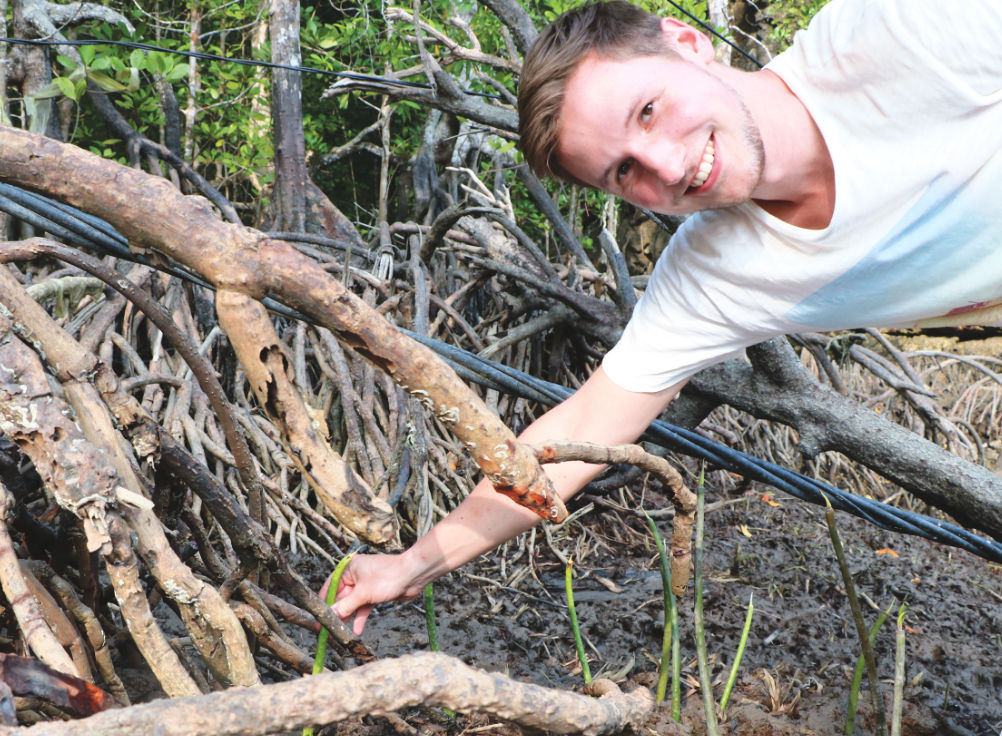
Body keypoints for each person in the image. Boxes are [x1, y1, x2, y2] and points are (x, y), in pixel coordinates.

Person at [327, 0, 1002, 634]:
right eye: (624, 172)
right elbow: (581, 431)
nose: (670, 166)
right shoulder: (715, 273)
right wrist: (412, 564)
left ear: (688, 42)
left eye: (648, 110)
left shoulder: (899, 31)